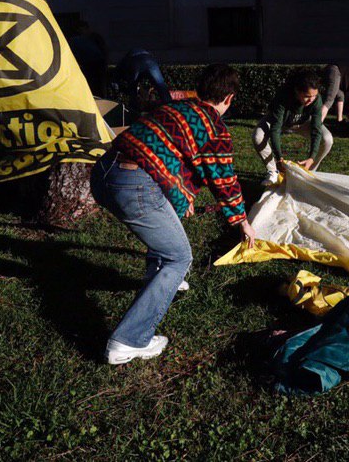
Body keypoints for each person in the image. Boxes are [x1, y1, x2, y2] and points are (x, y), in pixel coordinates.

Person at [91, 63, 256, 363]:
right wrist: (243, 223)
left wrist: (181, 198)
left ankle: (162, 279)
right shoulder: (215, 129)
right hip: (133, 185)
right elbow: (225, 182)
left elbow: (165, 155)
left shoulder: (174, 109)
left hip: (104, 171)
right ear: (230, 98)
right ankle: (129, 340)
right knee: (179, 257)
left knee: (168, 222)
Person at [253, 68, 334, 185]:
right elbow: (275, 129)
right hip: (279, 122)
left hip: (303, 123)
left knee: (328, 140)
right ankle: (273, 172)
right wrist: (279, 158)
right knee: (258, 136)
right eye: (307, 96)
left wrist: (312, 157)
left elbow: (316, 129)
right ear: (297, 91)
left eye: (314, 96)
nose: (311, 99)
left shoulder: (316, 100)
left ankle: (310, 171)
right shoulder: (282, 96)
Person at [115, 47, 171, 117]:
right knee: (160, 84)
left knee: (133, 88)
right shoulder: (124, 63)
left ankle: (133, 112)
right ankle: (170, 107)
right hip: (149, 59)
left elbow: (123, 81)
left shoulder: (120, 67)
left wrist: (124, 89)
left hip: (134, 61)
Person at [68, 21, 109, 97]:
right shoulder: (77, 39)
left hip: (95, 65)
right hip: (90, 65)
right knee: (95, 86)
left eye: (82, 29)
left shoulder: (93, 37)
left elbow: (104, 49)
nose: (81, 31)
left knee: (97, 86)